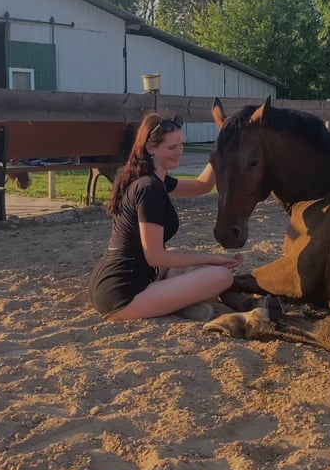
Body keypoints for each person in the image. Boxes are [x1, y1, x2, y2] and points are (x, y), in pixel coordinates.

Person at [88, 113, 243, 321]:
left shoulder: (151, 177)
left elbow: (201, 186)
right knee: (222, 276)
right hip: (122, 294)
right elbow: (155, 257)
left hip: (118, 279)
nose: (179, 152)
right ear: (150, 148)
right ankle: (175, 304)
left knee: (175, 253)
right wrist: (212, 259)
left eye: (181, 145)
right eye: (172, 148)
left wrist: (221, 149)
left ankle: (174, 303)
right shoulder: (149, 188)